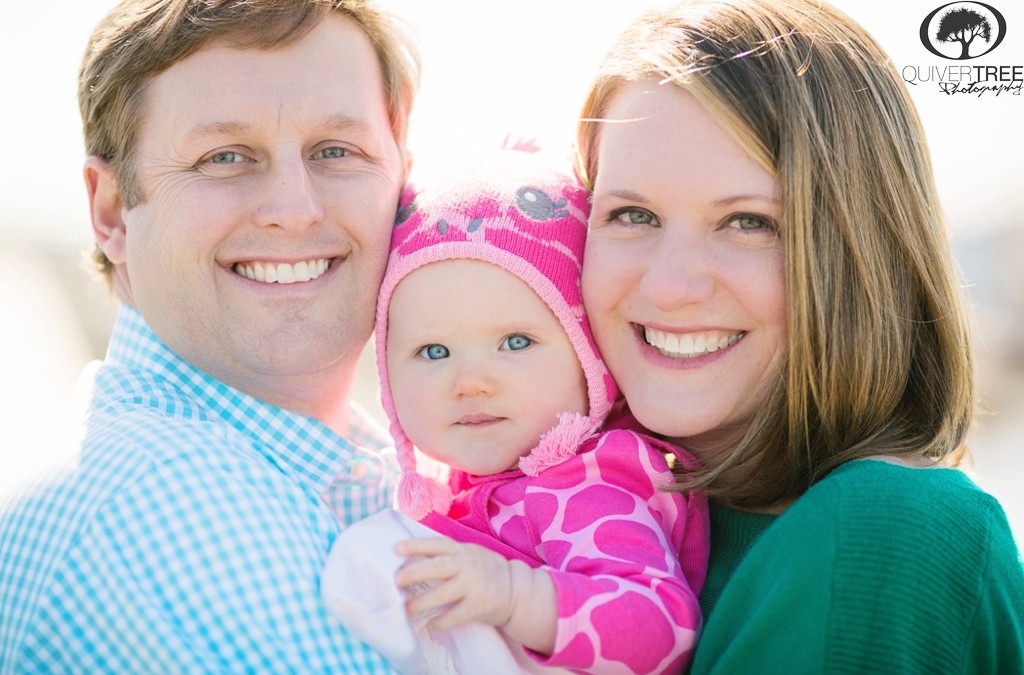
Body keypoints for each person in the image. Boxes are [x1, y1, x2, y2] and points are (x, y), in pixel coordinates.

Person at [575, 0, 1024, 672]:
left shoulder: (883, 532)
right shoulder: (592, 536)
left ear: (862, 250)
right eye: (631, 213)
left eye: (749, 222)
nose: (669, 286)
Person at [0, 0, 419, 670]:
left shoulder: (375, 475)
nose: (294, 209)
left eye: (337, 151)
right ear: (111, 211)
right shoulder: (167, 497)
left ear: (404, 178)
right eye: (225, 156)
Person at [322, 154, 708, 674]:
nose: (471, 382)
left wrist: (514, 594)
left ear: (586, 353)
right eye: (434, 352)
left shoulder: (588, 489)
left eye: (516, 342)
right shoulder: (451, 485)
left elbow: (661, 628)